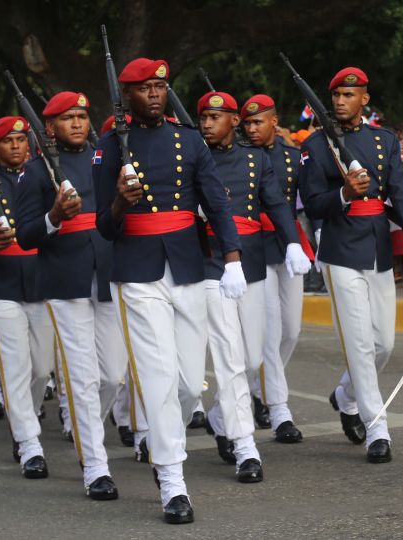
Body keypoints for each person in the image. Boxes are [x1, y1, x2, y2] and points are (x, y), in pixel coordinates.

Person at [93, 57, 244, 524]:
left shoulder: (188, 139)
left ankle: (164, 446)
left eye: (160, 86)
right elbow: (104, 225)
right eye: (145, 88)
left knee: (185, 384)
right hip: (138, 270)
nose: (155, 94)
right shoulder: (109, 147)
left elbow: (215, 200)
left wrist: (232, 257)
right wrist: (121, 200)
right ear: (128, 96)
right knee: (158, 378)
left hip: (186, 265)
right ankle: (173, 482)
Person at [299, 66, 403, 463]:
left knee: (383, 344)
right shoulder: (315, 145)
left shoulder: (383, 140)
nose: (340, 101)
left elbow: (401, 191)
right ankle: (377, 427)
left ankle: (346, 395)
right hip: (340, 248)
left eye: (349, 94)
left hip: (375, 246)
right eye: (335, 95)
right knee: (359, 344)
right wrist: (342, 193)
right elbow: (311, 200)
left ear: (364, 99)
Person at [16, 92, 125, 498]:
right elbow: (26, 236)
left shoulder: (104, 156)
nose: (77, 123)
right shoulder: (35, 171)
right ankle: (95, 465)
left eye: (82, 115)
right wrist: (54, 217)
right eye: (67, 118)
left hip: (109, 274)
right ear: (50, 128)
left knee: (113, 374)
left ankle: (85, 430)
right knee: (82, 376)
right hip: (65, 279)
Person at [197, 90, 309, 481]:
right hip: (212, 262)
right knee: (229, 360)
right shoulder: (196, 158)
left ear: (232, 121)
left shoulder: (256, 158)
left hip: (253, 262)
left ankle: (218, 415)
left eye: (216, 117)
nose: (208, 124)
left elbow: (276, 202)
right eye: (203, 118)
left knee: (252, 360)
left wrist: (293, 240)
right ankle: (246, 447)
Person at [0, 116, 54, 479]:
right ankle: (29, 442)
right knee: (16, 365)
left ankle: (27, 417)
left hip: (40, 279)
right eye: (8, 141)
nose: (16, 146)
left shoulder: (42, 176)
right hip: (2, 283)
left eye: (21, 139)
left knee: (41, 367)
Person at [241, 93, 312, 443]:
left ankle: (259, 385)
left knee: (291, 329)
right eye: (248, 123)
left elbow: (306, 199)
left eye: (259, 122)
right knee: (269, 328)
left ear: (275, 121)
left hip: (288, 243)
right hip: (255, 246)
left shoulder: (293, 157)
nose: (252, 128)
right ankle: (278, 408)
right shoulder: (240, 156)